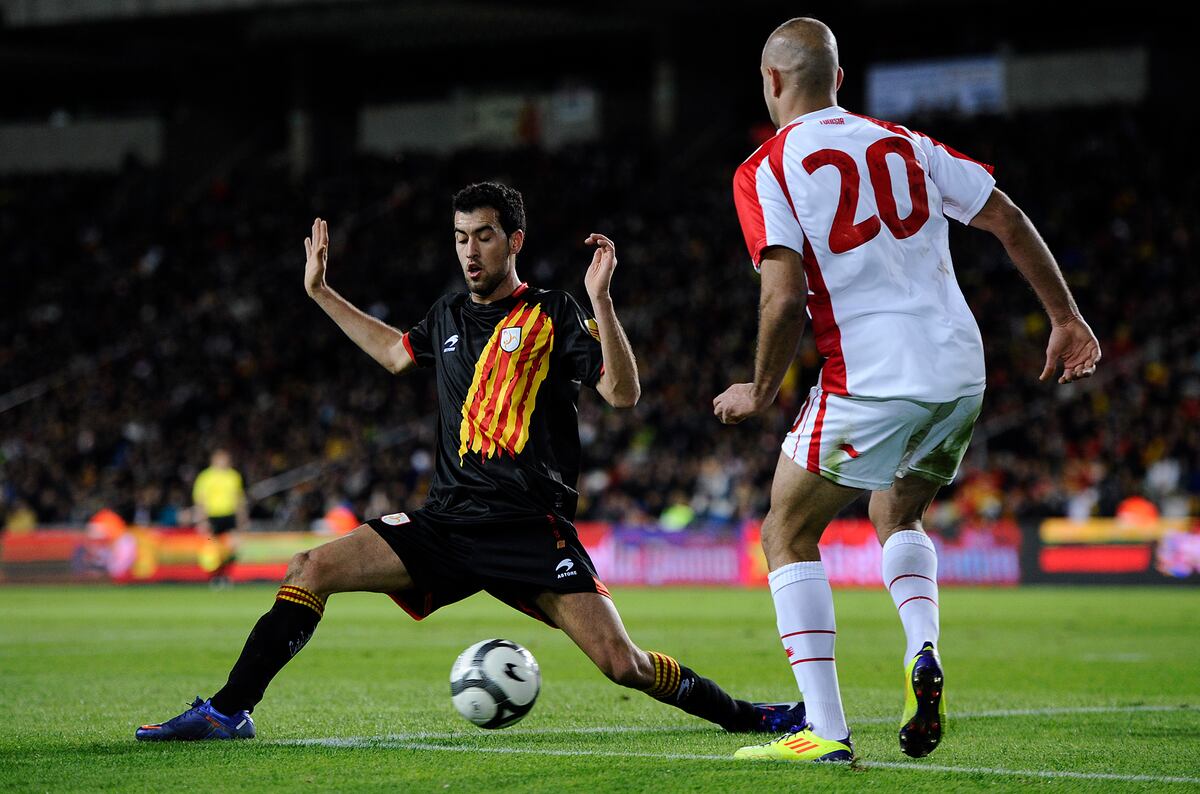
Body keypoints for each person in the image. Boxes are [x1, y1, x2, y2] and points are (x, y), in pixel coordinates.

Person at [136, 182, 806, 741]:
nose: (469, 250)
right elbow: (397, 353)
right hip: (447, 523)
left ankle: (751, 715)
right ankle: (229, 710)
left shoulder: (551, 313)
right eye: (460, 237)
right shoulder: (449, 312)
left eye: (483, 235)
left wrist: (601, 300)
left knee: (622, 664)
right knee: (311, 568)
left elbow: (622, 393)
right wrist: (320, 294)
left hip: (527, 528)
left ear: (514, 240)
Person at [714, 18, 1101, 763]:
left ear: (770, 82)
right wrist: (1064, 317)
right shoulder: (908, 143)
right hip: (959, 372)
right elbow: (1008, 218)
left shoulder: (766, 168)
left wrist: (761, 389)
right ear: (841, 80)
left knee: (786, 530)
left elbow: (783, 293)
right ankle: (922, 648)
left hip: (871, 376)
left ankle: (824, 731)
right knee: (897, 509)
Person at [192, 449, 249, 585]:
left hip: (229, 515)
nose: (223, 461)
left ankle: (225, 574)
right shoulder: (205, 477)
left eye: (225, 459)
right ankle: (216, 576)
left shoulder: (233, 476)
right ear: (214, 460)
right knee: (214, 549)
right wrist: (202, 520)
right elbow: (200, 500)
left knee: (233, 546)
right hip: (213, 515)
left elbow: (238, 498)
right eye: (220, 459)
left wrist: (243, 517)